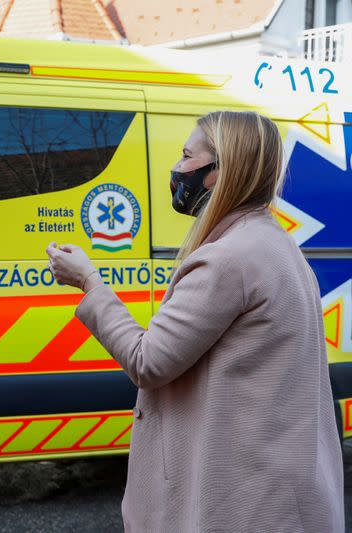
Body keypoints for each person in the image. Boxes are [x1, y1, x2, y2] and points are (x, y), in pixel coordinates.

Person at [47, 111, 344, 532]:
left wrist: (89, 281)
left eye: (188, 155)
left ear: (219, 172)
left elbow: (148, 360)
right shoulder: (276, 243)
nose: (177, 166)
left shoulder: (228, 258)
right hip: (278, 492)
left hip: (245, 505)